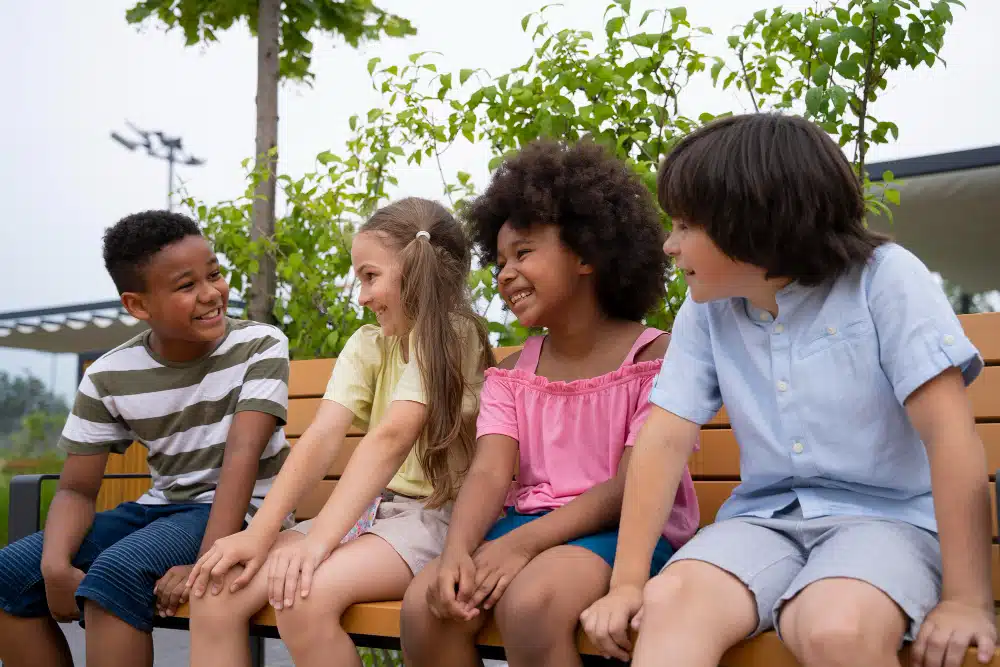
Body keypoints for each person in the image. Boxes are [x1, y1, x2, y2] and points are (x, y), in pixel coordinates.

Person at [580, 113, 997, 667]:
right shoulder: (706, 311)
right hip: (763, 523)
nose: (669, 245)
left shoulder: (885, 279)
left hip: (888, 522)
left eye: (684, 225)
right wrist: (628, 584)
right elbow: (662, 440)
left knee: (832, 625)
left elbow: (949, 438)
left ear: (752, 221)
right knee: (670, 602)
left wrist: (968, 599)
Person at [399, 139, 700, 667]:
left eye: (524, 253)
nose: (505, 274)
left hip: (625, 531)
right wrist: (455, 553)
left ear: (586, 253)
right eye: (498, 262)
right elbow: (491, 474)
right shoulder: (513, 373)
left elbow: (629, 484)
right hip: (528, 528)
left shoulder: (653, 356)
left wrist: (522, 545)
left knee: (532, 604)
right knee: (427, 607)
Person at [185, 197, 494, 667]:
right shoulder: (370, 342)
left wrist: (316, 543)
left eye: (371, 276)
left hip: (437, 518)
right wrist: (261, 534)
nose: (362, 296)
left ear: (417, 271)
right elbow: (323, 436)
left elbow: (393, 435)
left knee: (302, 597)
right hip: (373, 513)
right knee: (216, 592)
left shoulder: (454, 334)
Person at [0, 210, 291, 667]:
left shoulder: (259, 345)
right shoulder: (110, 374)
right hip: (161, 509)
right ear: (138, 306)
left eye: (213, 274)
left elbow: (242, 456)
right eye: (186, 285)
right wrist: (55, 564)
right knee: (10, 575)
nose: (211, 293)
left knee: (115, 575)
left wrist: (206, 561)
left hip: (243, 511)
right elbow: (77, 488)